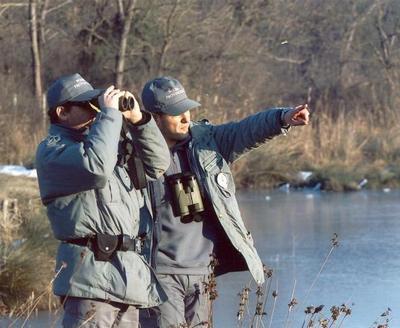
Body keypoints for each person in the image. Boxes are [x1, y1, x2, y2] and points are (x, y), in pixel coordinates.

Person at [138, 76, 310, 327]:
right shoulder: (135, 153)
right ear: (155, 117)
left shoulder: (208, 142)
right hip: (159, 273)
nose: (186, 118)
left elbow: (247, 130)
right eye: (176, 114)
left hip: (202, 273)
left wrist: (282, 118)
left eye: (187, 109)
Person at [35, 73, 170, 328]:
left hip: (129, 279)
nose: (95, 109)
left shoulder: (105, 142)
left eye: (95, 102)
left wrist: (138, 121)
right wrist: (109, 115)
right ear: (62, 112)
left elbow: (159, 165)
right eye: (87, 105)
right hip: (90, 281)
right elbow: (96, 167)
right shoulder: (52, 150)